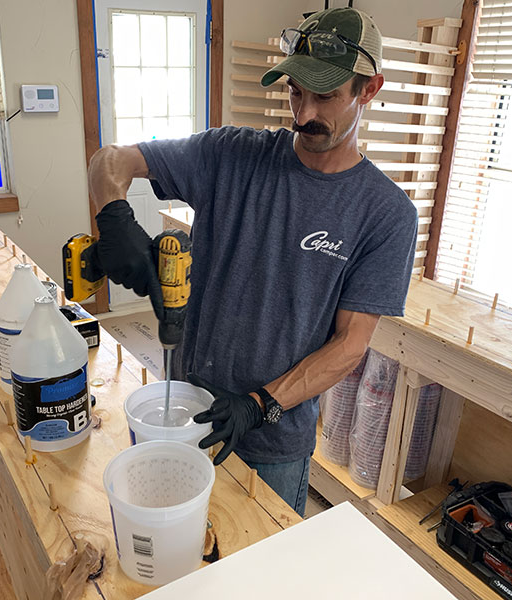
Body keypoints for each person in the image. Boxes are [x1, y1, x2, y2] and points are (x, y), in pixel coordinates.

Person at [87, 7, 418, 516]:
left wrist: (261, 404)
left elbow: (351, 345)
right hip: (188, 412)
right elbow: (111, 159)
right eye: (295, 92)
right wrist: (114, 217)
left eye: (325, 95)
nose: (302, 114)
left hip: (273, 439)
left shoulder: (385, 214)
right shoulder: (231, 155)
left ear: (368, 89)